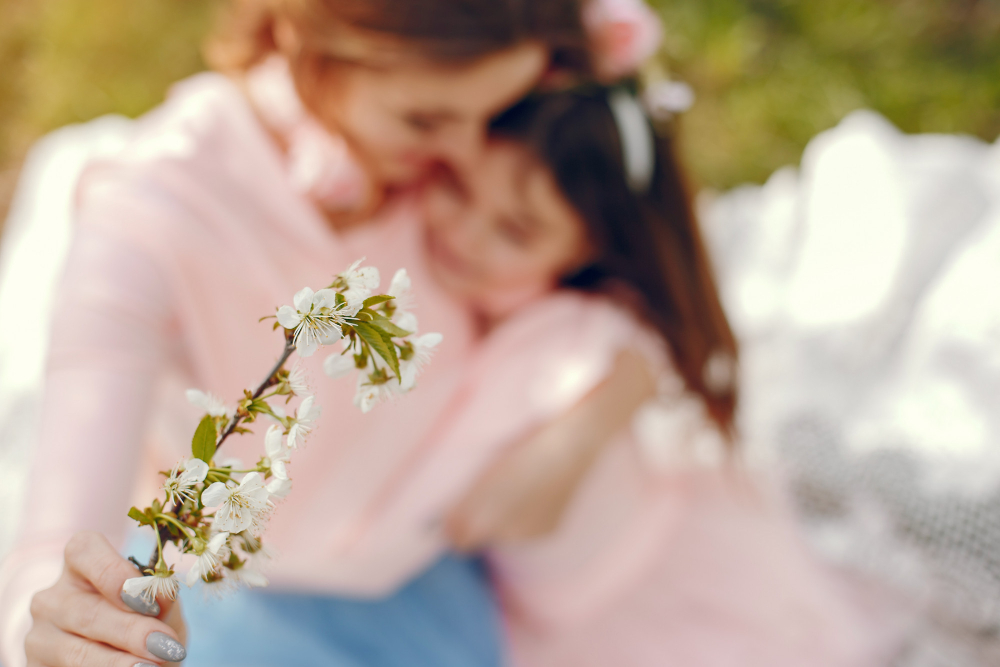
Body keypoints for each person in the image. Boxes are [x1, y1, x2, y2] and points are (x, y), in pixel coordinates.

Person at [0, 1, 596, 665]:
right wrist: (54, 624)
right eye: (424, 118)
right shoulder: (148, 213)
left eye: (489, 114)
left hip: (427, 580)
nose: (465, 152)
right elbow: (56, 539)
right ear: (303, 38)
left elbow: (624, 276)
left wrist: (595, 413)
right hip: (238, 592)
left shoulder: (465, 184)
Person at [394, 88, 903, 665]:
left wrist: (570, 440)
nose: (465, 235)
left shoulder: (573, 338)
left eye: (517, 231)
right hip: (548, 604)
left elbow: (489, 513)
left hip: (647, 593)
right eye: (456, 189)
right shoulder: (496, 308)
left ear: (587, 246)